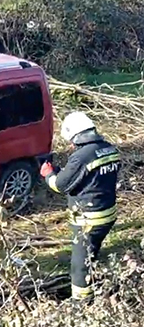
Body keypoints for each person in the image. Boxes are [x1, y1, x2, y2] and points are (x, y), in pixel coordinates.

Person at [40, 112, 120, 300]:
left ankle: (81, 304)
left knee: (79, 266)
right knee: (92, 253)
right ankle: (96, 283)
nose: (71, 145)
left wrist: (48, 174)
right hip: (107, 213)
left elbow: (60, 185)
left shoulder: (81, 157)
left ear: (76, 137)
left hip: (88, 219)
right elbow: (90, 178)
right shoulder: (109, 149)